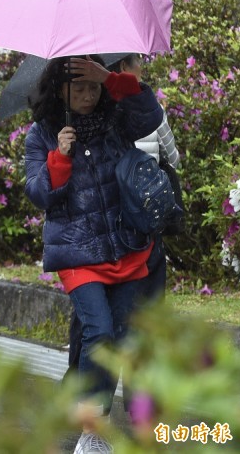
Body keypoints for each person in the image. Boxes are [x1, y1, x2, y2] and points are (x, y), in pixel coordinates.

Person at [24, 55, 163, 454]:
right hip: (77, 253)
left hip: (126, 248)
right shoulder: (43, 133)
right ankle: (93, 429)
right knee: (98, 331)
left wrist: (111, 78)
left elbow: (149, 115)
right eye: (78, 86)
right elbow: (40, 194)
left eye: (92, 86)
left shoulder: (117, 119)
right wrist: (60, 157)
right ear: (60, 90)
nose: (87, 94)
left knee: (119, 340)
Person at [64, 54, 181, 396]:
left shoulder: (118, 114)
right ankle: (115, 403)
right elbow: (173, 157)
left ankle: (90, 394)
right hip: (124, 234)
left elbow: (149, 115)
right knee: (121, 322)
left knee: (98, 326)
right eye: (135, 66)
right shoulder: (116, 115)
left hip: (132, 236)